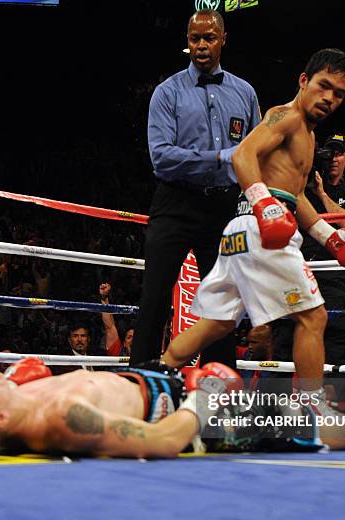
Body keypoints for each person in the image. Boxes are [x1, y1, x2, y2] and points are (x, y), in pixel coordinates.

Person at [161, 48, 345, 448]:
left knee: (218, 322)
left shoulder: (307, 135)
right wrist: (264, 203)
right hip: (260, 225)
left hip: (243, 229)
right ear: (304, 81)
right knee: (314, 317)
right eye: (324, 86)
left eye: (339, 93)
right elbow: (243, 155)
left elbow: (296, 197)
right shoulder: (285, 116)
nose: (329, 98)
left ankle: (157, 374)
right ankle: (308, 409)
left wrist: (330, 236)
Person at [130, 9, 261, 369]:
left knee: (221, 303)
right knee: (155, 298)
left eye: (209, 38)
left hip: (223, 207)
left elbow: (255, 154)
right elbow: (162, 157)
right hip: (175, 203)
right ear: (187, 42)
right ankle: (140, 384)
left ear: (223, 40)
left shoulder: (245, 93)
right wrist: (221, 157)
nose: (201, 45)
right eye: (194, 39)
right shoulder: (166, 93)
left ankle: (217, 389)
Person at [0, 357, 244, 458]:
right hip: (187, 409)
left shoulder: (9, 405)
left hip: (154, 374)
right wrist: (206, 398)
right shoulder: (66, 417)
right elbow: (164, 441)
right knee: (294, 416)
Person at [300, 133, 345, 366]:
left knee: (338, 334)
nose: (333, 159)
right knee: (291, 332)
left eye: (338, 153)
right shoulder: (304, 189)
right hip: (303, 270)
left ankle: (343, 396)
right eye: (329, 153)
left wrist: (321, 193)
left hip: (333, 275)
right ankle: (283, 396)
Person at [99, 282, 134, 357]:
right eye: (129, 337)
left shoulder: (147, 356)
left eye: (135, 337)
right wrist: (104, 298)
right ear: (124, 343)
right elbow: (109, 327)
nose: (132, 341)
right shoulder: (117, 352)